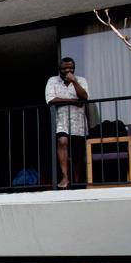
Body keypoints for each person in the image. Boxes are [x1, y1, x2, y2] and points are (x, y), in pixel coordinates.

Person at [45, 57, 90, 189]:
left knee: (76, 153)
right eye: (65, 68)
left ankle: (76, 180)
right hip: (61, 120)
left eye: (71, 68)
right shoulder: (53, 81)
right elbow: (51, 99)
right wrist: (73, 101)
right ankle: (65, 177)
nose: (68, 70)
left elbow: (84, 97)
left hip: (78, 122)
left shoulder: (81, 80)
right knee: (62, 141)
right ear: (60, 69)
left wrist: (74, 81)